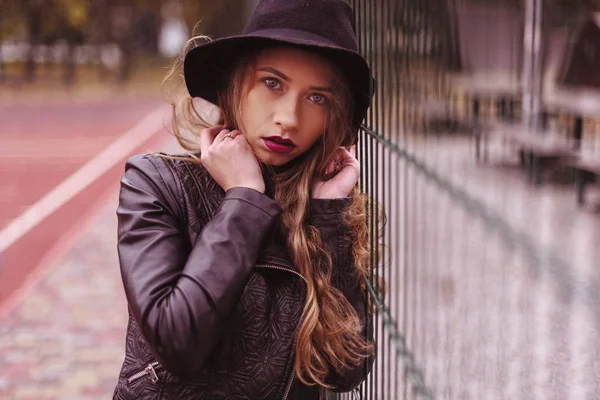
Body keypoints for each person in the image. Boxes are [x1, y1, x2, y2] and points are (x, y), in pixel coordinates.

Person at [112, 0, 377, 399]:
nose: (289, 118)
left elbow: (346, 370)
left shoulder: (327, 205)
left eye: (317, 98)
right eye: (273, 83)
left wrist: (331, 216)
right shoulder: (157, 183)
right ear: (236, 85)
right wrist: (245, 199)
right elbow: (176, 342)